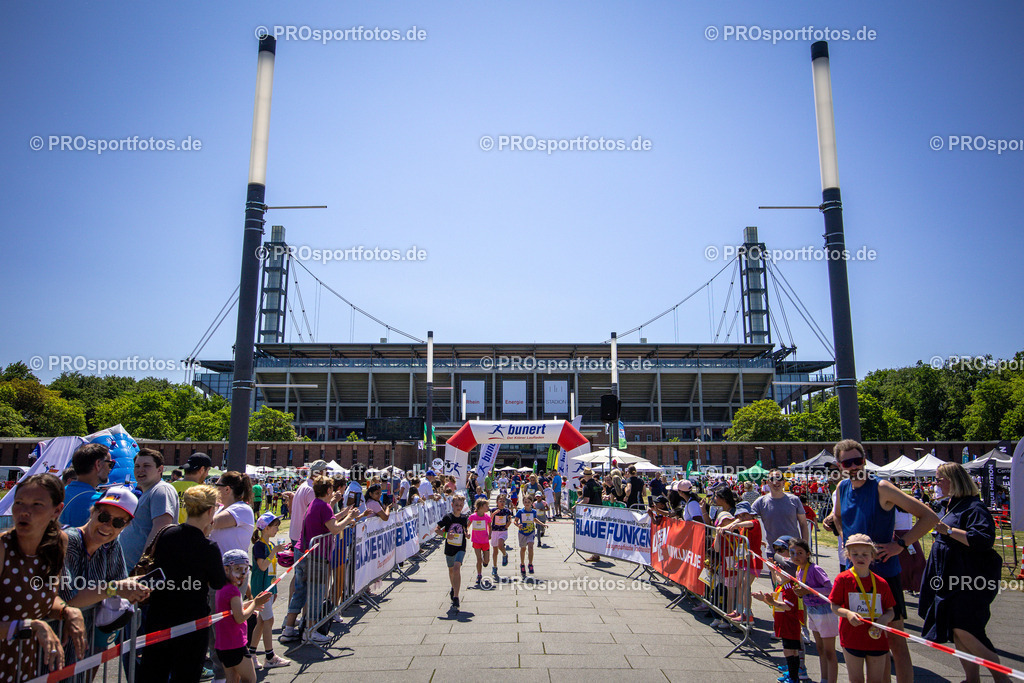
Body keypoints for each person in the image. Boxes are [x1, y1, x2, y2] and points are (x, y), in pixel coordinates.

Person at [823, 439, 938, 683]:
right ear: (839, 465)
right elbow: (840, 516)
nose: (854, 466)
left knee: (895, 641)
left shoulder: (882, 487)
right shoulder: (843, 487)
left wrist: (901, 545)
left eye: (858, 460)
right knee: (870, 640)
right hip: (854, 576)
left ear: (865, 460)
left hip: (885, 575)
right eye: (847, 462)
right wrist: (833, 522)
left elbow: (929, 517)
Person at [918, 462, 1009, 683]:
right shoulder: (953, 505)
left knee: (968, 630)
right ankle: (971, 679)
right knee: (957, 631)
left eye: (940, 479)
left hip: (969, 582)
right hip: (950, 582)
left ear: (954, 481)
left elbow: (983, 540)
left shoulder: (974, 508)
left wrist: (947, 530)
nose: (936, 483)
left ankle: (1002, 679)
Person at [1, 474, 86, 680]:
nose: (24, 511)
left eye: (37, 504)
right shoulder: (2, 547)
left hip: (22, 667)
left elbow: (43, 598)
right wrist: (28, 626)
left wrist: (68, 611)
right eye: (19, 503)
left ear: (57, 510)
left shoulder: (58, 544)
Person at [141, 485, 227, 683]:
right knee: (186, 675)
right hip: (191, 621)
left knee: (153, 673)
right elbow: (218, 582)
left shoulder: (166, 534)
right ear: (210, 511)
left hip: (159, 616)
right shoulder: (208, 546)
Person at [60, 486, 151, 664]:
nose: (108, 526)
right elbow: (67, 600)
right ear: (93, 511)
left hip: (90, 643)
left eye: (118, 523)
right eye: (103, 517)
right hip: (56, 645)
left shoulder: (111, 545)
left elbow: (119, 583)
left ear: (126, 526)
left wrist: (132, 589)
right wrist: (116, 589)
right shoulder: (68, 541)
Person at [280, 477, 359, 644]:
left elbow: (328, 520)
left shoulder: (316, 504)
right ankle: (311, 630)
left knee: (300, 592)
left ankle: (288, 629)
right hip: (316, 556)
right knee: (317, 593)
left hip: (302, 552)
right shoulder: (324, 506)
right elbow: (335, 528)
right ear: (329, 490)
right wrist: (349, 518)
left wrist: (345, 513)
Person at [829, 534, 896, 683]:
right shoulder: (843, 579)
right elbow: (834, 606)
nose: (860, 557)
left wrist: (884, 620)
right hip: (852, 638)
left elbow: (891, 611)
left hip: (876, 639)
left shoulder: (881, 583)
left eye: (865, 554)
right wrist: (847, 613)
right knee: (856, 680)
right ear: (848, 556)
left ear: (872, 556)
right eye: (855, 554)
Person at [215, 549, 271, 683]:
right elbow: (240, 617)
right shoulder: (233, 591)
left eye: (246, 569)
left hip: (223, 645)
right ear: (226, 569)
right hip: (235, 644)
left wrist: (250, 604)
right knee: (250, 679)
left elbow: (232, 610)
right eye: (238, 569)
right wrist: (255, 604)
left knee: (232, 679)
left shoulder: (223, 587)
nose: (243, 574)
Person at [118, 448, 178, 571]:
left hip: (141, 572)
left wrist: (142, 564)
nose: (140, 470)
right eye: (137, 466)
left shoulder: (161, 490)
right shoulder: (149, 492)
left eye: (147, 466)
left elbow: (160, 529)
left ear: (160, 469)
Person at [789, 538, 838, 683]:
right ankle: (824, 678)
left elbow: (830, 589)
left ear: (808, 554)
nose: (796, 556)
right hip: (812, 611)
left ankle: (831, 680)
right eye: (792, 553)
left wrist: (808, 591)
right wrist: (799, 592)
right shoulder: (799, 570)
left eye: (800, 553)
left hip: (824, 612)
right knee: (820, 649)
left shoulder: (815, 569)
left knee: (829, 651)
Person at [751, 551, 804, 683]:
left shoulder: (789, 588)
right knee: (790, 650)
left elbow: (788, 606)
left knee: (790, 651)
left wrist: (772, 602)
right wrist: (764, 599)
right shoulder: (784, 584)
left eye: (778, 569)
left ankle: (793, 677)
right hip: (784, 624)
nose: (776, 571)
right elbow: (776, 579)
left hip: (790, 625)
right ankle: (792, 673)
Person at [248, 513, 290, 670]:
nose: (277, 529)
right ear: (266, 528)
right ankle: (270, 656)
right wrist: (274, 552)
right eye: (275, 526)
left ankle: (251, 654)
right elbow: (262, 566)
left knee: (261, 621)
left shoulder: (269, 545)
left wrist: (275, 589)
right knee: (269, 621)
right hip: (261, 589)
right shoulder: (260, 546)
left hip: (268, 588)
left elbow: (271, 571)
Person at [752, 469, 808, 554]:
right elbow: (746, 516)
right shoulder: (760, 502)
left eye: (779, 479)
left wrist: (804, 546)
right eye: (772, 479)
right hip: (773, 550)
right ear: (768, 482)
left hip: (794, 551)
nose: (776, 482)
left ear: (784, 482)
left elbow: (803, 523)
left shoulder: (794, 500)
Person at [60, 443, 113, 527]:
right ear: (98, 464)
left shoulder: (59, 494)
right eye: (110, 464)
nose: (110, 469)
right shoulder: (100, 502)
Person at [435, 493, 469, 612]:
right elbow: (436, 529)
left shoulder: (464, 518)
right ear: (452, 505)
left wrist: (467, 534)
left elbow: (465, 530)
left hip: (460, 547)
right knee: (451, 571)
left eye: (460, 505)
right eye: (456, 505)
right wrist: (445, 534)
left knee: (456, 569)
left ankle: (456, 596)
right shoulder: (447, 518)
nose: (458, 507)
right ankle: (453, 588)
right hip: (450, 547)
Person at [210, 471, 256, 557]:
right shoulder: (220, 509)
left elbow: (210, 523)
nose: (214, 489)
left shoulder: (242, 509)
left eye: (217, 485)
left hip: (233, 568)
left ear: (227, 489)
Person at [171, 452, 212, 523]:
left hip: (171, 531)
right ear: (202, 469)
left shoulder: (171, 487)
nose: (207, 474)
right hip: (192, 532)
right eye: (207, 471)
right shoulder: (203, 491)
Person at [514, 494, 543, 578]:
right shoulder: (520, 512)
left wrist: (542, 524)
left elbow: (535, 519)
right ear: (523, 503)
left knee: (531, 547)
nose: (527, 503)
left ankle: (530, 564)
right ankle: (522, 564)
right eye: (525, 502)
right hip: (522, 533)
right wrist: (518, 525)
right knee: (523, 548)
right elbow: (515, 521)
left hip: (531, 532)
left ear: (531, 503)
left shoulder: (533, 512)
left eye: (529, 502)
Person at [579, 468, 604, 562]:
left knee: (593, 533)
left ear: (585, 476)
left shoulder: (587, 486)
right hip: (600, 510)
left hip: (592, 511)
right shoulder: (598, 484)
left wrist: (577, 506)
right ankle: (597, 553)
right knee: (598, 533)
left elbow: (586, 500)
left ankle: (595, 554)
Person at [467, 499, 491, 586]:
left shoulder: (487, 517)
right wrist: (468, 533)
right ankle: (479, 575)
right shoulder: (473, 516)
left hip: (485, 541)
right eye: (486, 506)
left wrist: (490, 534)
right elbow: (467, 525)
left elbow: (490, 526)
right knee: (479, 559)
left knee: (486, 560)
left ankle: (485, 562)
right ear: (481, 507)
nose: (488, 507)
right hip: (476, 540)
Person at [489, 494, 512, 578]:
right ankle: (494, 567)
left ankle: (505, 554)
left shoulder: (507, 511)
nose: (502, 503)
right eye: (500, 501)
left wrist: (508, 524)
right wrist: (494, 514)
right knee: (495, 551)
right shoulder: (493, 510)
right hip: (495, 531)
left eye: (503, 501)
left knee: (500, 544)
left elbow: (510, 519)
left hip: (503, 531)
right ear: (497, 502)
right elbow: (489, 520)